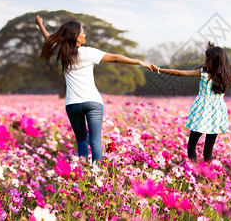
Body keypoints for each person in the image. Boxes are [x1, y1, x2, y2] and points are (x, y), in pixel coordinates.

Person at [35, 15, 153, 163]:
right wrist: (139, 62)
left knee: (81, 140)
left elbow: (49, 39)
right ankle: (97, 173)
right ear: (76, 37)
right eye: (82, 33)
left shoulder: (60, 53)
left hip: (73, 104)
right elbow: (115, 58)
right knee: (96, 140)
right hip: (93, 102)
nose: (85, 35)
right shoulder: (87, 53)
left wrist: (40, 25)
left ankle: (84, 172)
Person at [151, 43, 231, 162]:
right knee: (208, 149)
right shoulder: (226, 76)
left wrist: (159, 70)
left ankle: (194, 169)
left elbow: (178, 73)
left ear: (211, 60)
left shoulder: (202, 73)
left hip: (202, 111)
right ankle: (206, 174)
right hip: (216, 112)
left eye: (206, 58)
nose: (204, 60)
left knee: (192, 144)